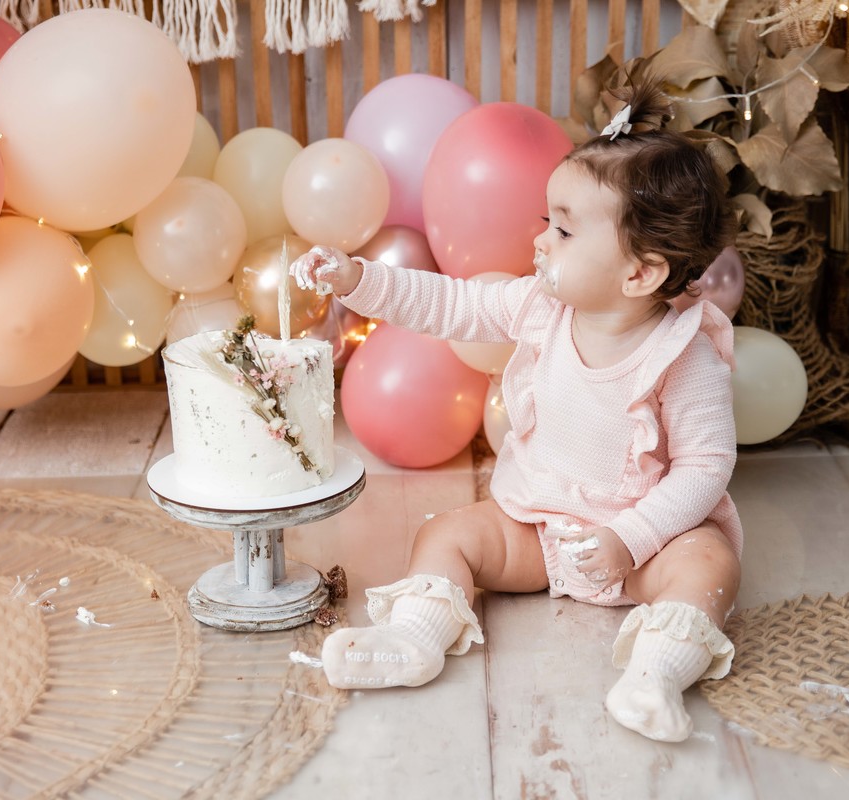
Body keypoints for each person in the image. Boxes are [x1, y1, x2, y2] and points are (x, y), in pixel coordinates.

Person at [289, 77, 741, 743]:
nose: (540, 242)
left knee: (710, 564)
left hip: (644, 540)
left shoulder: (682, 355)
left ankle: (656, 673)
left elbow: (706, 469)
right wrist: (361, 280)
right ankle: (415, 639)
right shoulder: (539, 305)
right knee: (446, 534)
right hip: (538, 526)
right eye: (545, 222)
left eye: (562, 230)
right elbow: (450, 303)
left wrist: (631, 540)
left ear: (639, 274)